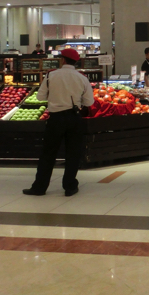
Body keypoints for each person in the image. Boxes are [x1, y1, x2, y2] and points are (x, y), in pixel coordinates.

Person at [23, 48, 94, 197]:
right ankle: (69, 186)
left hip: (55, 118)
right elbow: (89, 102)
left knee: (48, 153)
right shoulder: (82, 78)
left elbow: (40, 97)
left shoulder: (51, 75)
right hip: (74, 118)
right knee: (73, 153)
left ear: (63, 60)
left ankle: (39, 187)